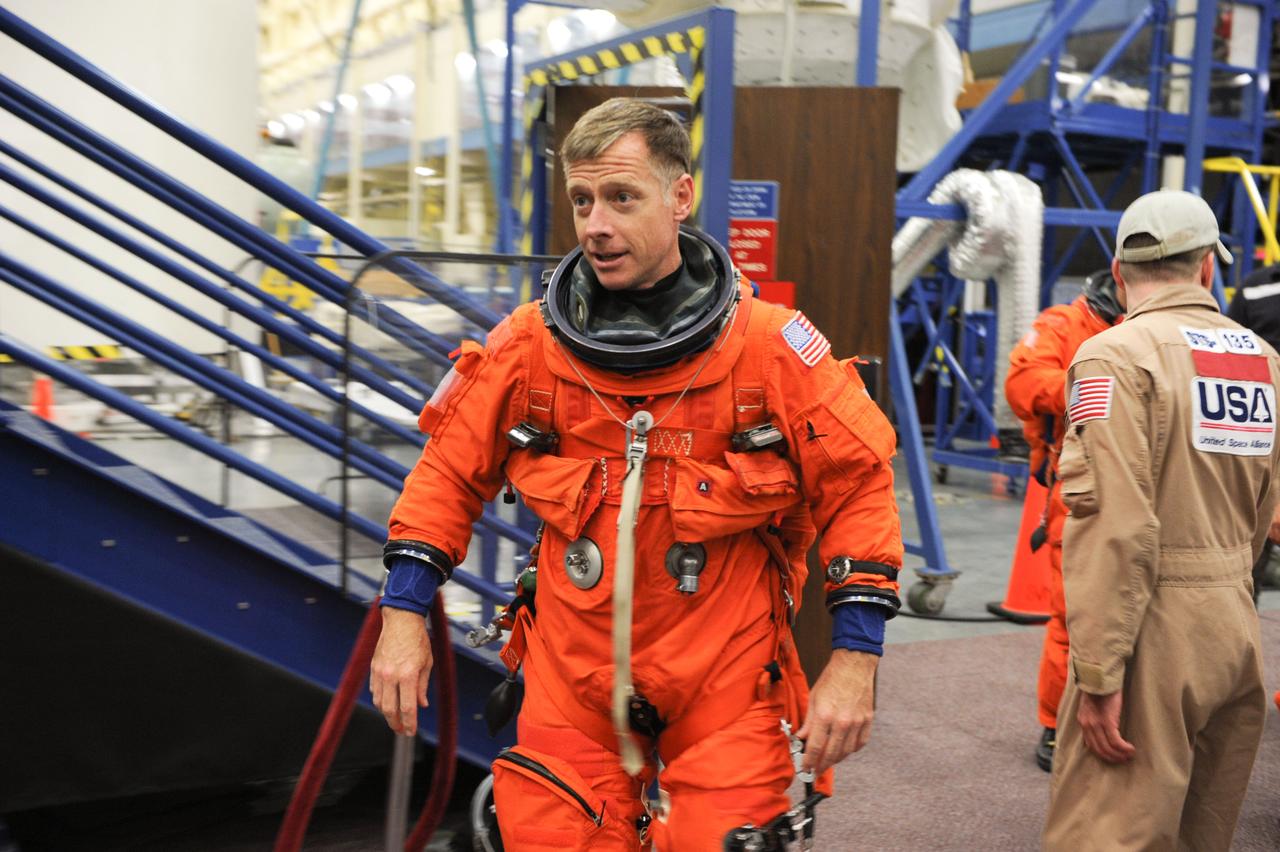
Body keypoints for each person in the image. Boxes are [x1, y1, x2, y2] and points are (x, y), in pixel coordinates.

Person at [368, 98, 904, 850]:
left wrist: (855, 659)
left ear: (679, 197)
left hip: (724, 673)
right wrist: (402, 614)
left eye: (622, 197)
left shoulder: (770, 350)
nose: (595, 224)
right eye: (583, 200)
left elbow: (859, 486)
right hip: (570, 674)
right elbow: (446, 477)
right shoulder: (528, 347)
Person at [1042, 190, 1280, 850]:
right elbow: (1266, 507)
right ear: (1209, 268)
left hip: (1151, 630)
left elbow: (1115, 525)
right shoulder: (1262, 361)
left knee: (1106, 831)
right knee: (1200, 830)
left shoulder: (1112, 357)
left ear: (1118, 274)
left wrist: (1099, 673)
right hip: (1235, 627)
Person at [1005, 270, 1122, 773]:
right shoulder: (1064, 323)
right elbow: (1023, 383)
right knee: (1073, 621)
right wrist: (1104, 386)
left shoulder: (1158, 324)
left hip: (1149, 495)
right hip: (1077, 495)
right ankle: (1055, 727)